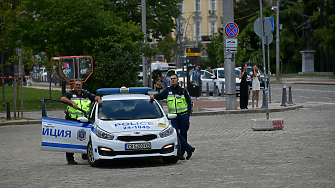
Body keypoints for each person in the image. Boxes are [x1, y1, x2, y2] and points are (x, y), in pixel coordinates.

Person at [150, 74, 195, 160]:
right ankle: (188, 148)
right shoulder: (168, 90)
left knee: (183, 134)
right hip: (173, 116)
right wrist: (153, 96)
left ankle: (181, 153)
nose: (173, 80)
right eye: (171, 79)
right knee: (176, 134)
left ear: (178, 79)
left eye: (174, 78)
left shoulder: (183, 90)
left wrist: (188, 114)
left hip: (183, 115)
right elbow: (160, 96)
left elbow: (189, 102)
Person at [61, 79, 103, 164]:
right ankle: (70, 159)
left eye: (79, 85)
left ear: (81, 85)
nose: (78, 86)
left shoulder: (86, 93)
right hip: (72, 119)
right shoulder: (70, 93)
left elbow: (95, 97)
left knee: (85, 138)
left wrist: (98, 100)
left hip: (84, 120)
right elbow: (63, 98)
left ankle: (86, 154)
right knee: (71, 140)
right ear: (74, 85)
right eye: (76, 85)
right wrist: (72, 102)